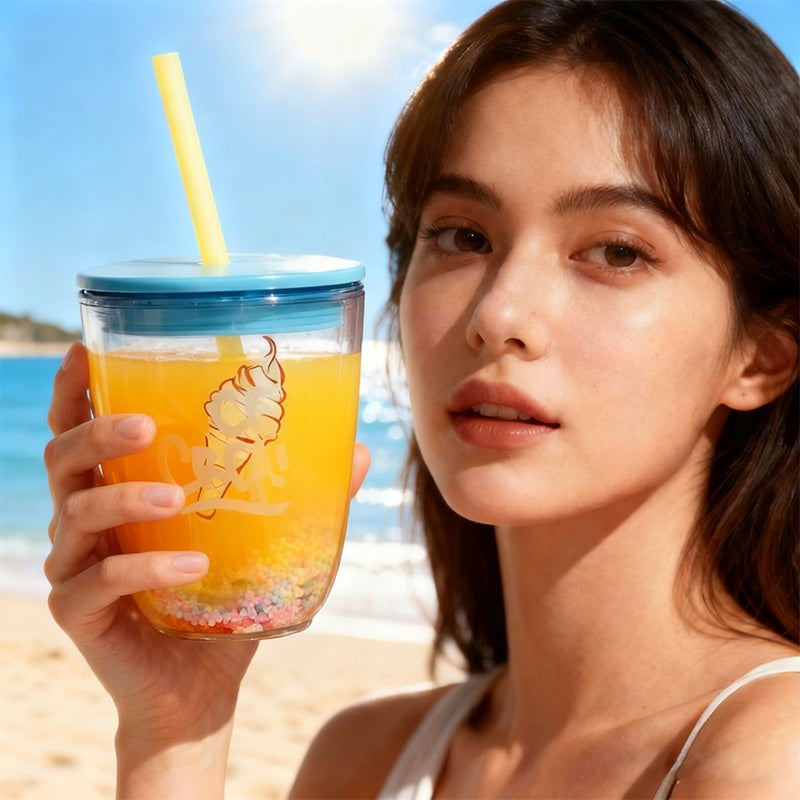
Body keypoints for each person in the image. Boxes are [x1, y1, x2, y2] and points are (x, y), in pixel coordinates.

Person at [44, 0, 799, 797]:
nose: (498, 315)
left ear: (762, 356)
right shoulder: (360, 757)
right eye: (463, 237)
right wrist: (177, 729)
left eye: (616, 251)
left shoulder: (769, 759)